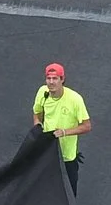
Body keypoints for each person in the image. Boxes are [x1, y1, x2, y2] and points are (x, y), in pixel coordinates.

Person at [32, 61, 92, 195]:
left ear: (62, 79)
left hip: (67, 156)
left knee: (69, 192)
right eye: (49, 78)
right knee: (45, 189)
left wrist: (64, 132)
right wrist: (37, 125)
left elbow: (87, 126)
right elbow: (37, 114)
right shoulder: (42, 92)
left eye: (55, 78)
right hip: (47, 151)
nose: (51, 82)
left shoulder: (75, 99)